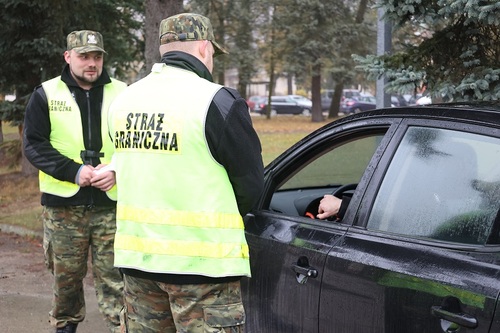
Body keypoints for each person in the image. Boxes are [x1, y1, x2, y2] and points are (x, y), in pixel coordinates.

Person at [108, 13, 265, 333]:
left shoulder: (123, 100)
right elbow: (250, 186)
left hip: (139, 265)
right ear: (205, 49)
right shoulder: (216, 101)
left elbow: (125, 171)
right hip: (204, 271)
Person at [23, 30, 126, 333]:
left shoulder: (125, 93)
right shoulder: (46, 94)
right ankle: (65, 326)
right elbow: (34, 144)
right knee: (65, 280)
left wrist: (118, 169)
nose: (91, 63)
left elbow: (138, 143)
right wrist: (74, 171)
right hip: (64, 210)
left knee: (116, 279)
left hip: (112, 206)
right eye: (84, 57)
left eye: (97, 56)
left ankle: (122, 327)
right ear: (68, 57)